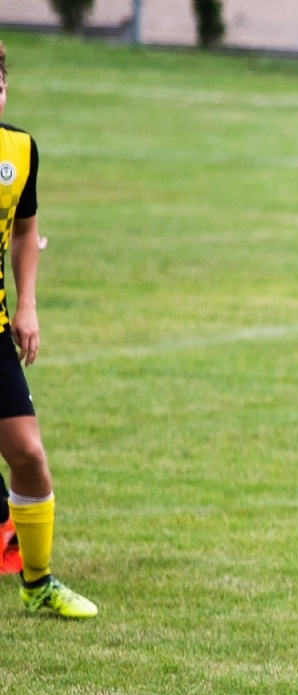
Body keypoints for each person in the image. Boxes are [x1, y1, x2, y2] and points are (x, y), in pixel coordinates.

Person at [0, 42, 95, 617]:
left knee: (30, 455)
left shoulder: (19, 150)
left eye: (0, 79)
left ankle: (37, 585)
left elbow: (24, 230)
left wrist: (28, 306)